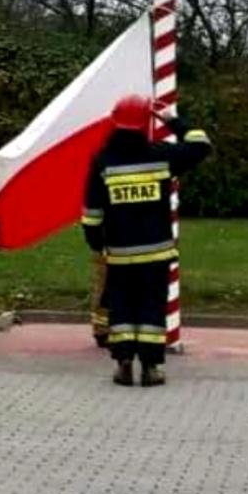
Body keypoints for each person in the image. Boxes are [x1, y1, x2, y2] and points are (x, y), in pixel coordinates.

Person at [82, 95, 211, 386]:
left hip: (119, 253)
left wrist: (96, 244)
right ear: (145, 125)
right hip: (155, 253)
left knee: (122, 308)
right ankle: (152, 368)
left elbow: (92, 213)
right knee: (152, 307)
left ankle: (124, 364)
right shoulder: (162, 156)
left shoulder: (103, 160)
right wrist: (172, 120)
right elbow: (201, 145)